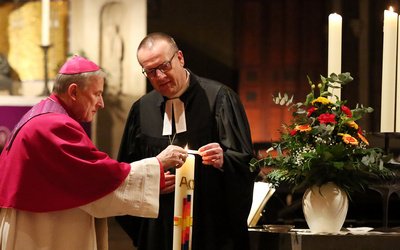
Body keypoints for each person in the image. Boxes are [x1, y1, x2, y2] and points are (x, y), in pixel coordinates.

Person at [0, 55, 188, 250]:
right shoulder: (53, 125)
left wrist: (151, 178)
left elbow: (86, 180)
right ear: (74, 91)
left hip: (39, 225)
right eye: (97, 94)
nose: (101, 103)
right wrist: (157, 164)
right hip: (39, 232)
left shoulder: (45, 115)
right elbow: (98, 177)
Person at [116, 32, 257, 250]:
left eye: (164, 66)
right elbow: (126, 172)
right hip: (159, 228)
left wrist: (223, 160)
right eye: (151, 71)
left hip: (208, 227)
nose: (160, 76)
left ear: (180, 58)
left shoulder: (219, 99)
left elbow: (247, 163)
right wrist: (151, 181)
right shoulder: (141, 110)